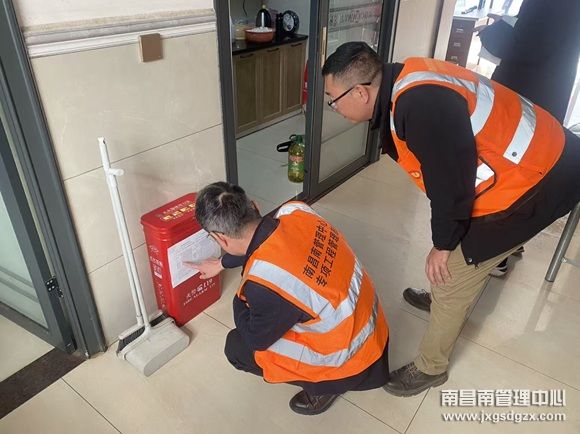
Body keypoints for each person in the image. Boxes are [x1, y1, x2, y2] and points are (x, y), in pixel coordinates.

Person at [322, 42, 580, 396]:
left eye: (333, 99)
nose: (334, 107)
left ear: (361, 92)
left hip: (541, 177)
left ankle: (431, 367)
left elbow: (452, 185)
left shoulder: (418, 107)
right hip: (546, 152)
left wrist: (443, 246)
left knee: (450, 275)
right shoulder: (409, 76)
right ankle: (502, 253)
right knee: (457, 246)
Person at [189, 182, 389, 415]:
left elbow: (256, 339)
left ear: (220, 239)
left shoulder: (266, 283)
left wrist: (238, 300)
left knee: (237, 346)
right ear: (254, 205)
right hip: (372, 326)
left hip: (352, 358)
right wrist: (222, 263)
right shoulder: (295, 210)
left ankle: (325, 386)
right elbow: (261, 238)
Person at [477, 0, 580, 123]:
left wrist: (489, 33)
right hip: (550, 87)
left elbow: (525, 45)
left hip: (530, 93)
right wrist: (505, 23)